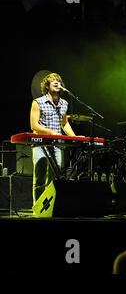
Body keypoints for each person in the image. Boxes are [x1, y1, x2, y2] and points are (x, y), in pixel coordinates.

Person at [30, 72, 76, 204]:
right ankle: (38, 208)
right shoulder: (37, 102)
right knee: (40, 178)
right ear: (47, 86)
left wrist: (74, 137)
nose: (57, 82)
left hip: (57, 145)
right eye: (53, 81)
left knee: (55, 178)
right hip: (41, 145)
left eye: (59, 81)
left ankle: (51, 207)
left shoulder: (64, 103)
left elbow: (64, 123)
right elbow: (34, 125)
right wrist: (50, 132)